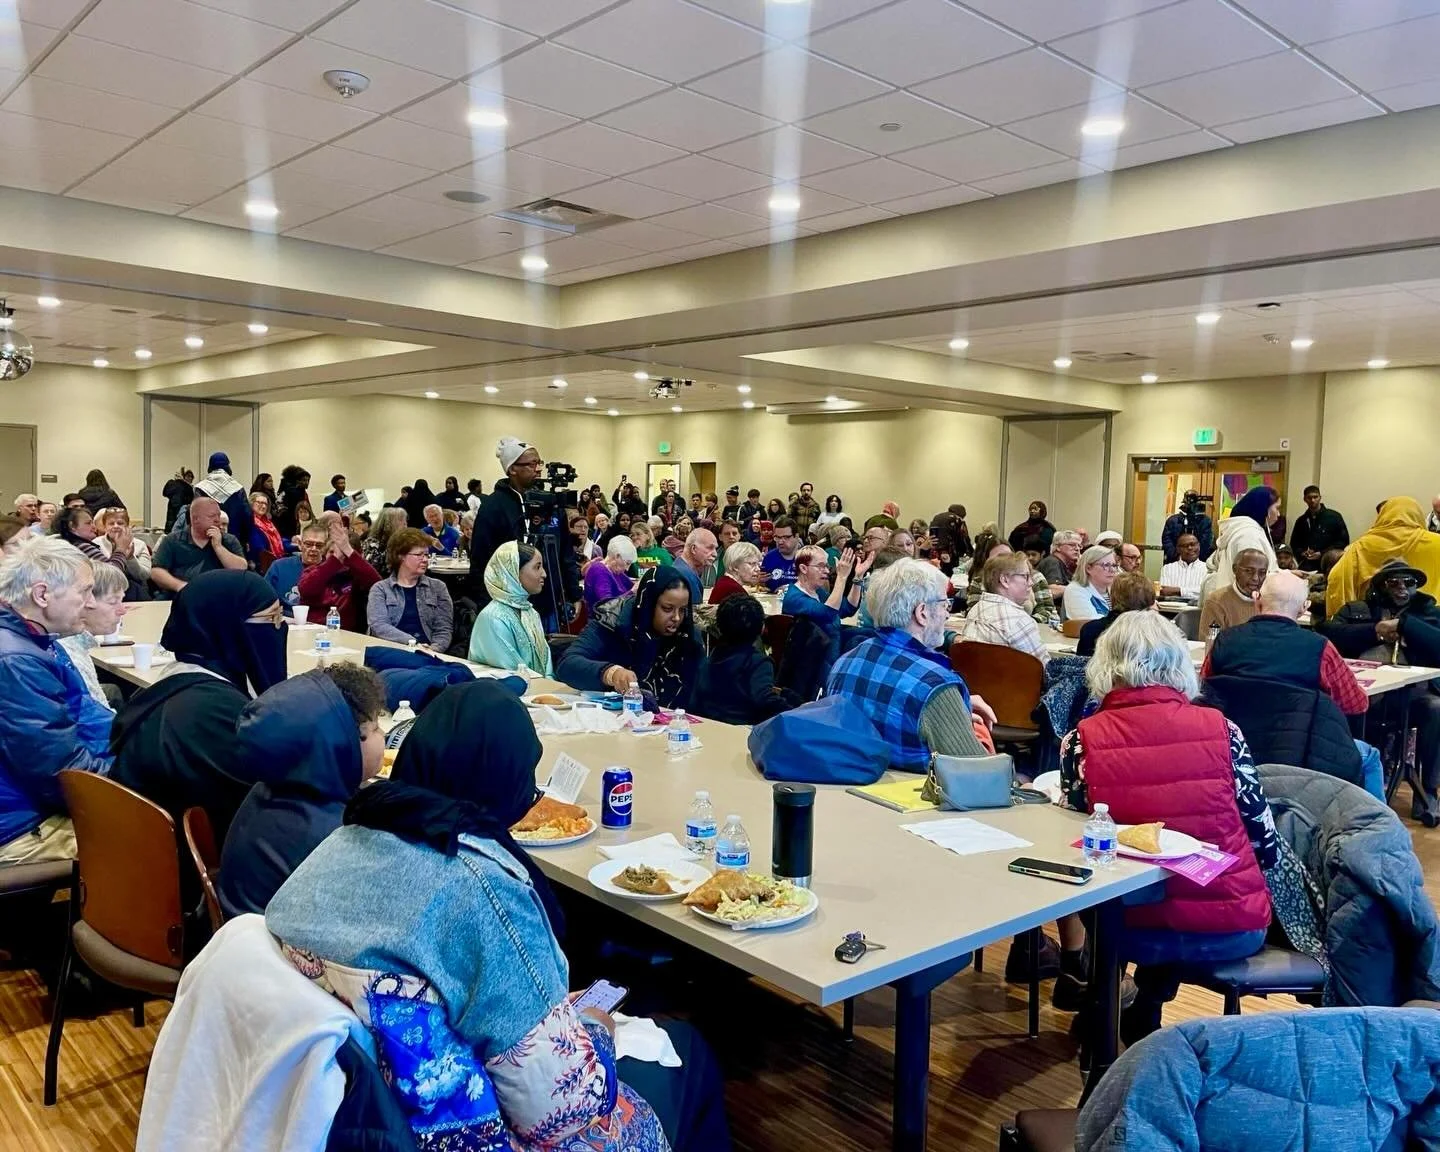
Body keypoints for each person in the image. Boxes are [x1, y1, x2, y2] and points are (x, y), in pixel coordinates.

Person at [266, 680, 730, 1152]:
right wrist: (597, 1031)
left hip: (350, 1119)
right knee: (687, 1051)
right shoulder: (483, 887)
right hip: (465, 1134)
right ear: (507, 778)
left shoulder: (338, 844)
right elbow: (560, 1111)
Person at [1059, 611, 1274, 1039]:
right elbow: (1262, 838)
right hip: (1231, 923)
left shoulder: (1082, 739)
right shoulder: (1223, 730)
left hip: (1129, 927)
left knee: (1108, 896)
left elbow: (1079, 844)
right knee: (1176, 899)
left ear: (1105, 665)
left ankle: (1109, 1005)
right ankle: (1146, 1003)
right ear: (1179, 665)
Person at [110, 571, 289, 841]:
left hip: (142, 843)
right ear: (229, 628)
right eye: (271, 618)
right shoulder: (220, 713)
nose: (280, 627)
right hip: (190, 854)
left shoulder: (171, 684)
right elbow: (263, 803)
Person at [217, 664, 386, 918]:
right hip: (273, 939)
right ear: (344, 743)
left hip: (242, 928)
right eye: (375, 728)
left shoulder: (272, 788)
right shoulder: (330, 834)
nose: (383, 735)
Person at [1203, 570, 1380, 797]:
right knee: (1370, 756)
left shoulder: (1224, 641)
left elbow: (1204, 692)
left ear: (1257, 599)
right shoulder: (1320, 648)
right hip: (1304, 755)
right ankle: (1373, 818)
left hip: (1230, 752)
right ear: (1304, 607)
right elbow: (1356, 705)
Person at [0, 538, 114, 866]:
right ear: (42, 595)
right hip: (19, 824)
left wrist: (134, 748)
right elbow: (57, 772)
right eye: (85, 592)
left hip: (29, 801)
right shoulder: (16, 660)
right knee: (154, 840)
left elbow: (86, 714)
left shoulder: (38, 640)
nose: (90, 604)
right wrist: (128, 784)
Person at [827, 558, 993, 769]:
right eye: (944, 604)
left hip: (852, 783)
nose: (947, 614)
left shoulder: (845, 662)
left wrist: (956, 710)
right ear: (922, 613)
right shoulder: (936, 686)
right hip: (921, 788)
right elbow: (981, 775)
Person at [1323, 558, 1440, 824]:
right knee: (1339, 703)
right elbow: (1328, 633)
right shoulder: (1358, 609)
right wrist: (1375, 631)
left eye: (1409, 582)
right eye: (1393, 582)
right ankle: (1351, 785)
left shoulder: (1430, 613)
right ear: (1380, 586)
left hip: (1413, 695)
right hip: (1365, 693)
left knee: (1436, 708)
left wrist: (1405, 626)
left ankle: (1429, 791)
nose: (1401, 587)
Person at [558, 566, 705, 709]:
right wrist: (610, 673)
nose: (676, 617)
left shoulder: (688, 636)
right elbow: (567, 664)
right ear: (649, 603)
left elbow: (700, 693)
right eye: (667, 609)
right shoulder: (612, 621)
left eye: (683, 610)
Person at [470, 437, 580, 617]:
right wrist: (486, 605)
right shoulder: (493, 507)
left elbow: (565, 553)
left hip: (550, 601)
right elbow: (480, 561)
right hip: (508, 604)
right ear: (512, 469)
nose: (538, 469)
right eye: (531, 464)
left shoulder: (550, 504)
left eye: (539, 463)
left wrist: (574, 594)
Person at [1325, 496, 1440, 618]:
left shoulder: (1362, 546)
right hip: (1430, 618)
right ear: (1419, 516)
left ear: (1383, 515)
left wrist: (1341, 615)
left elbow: (1336, 578)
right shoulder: (1436, 543)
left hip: (1376, 619)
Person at [693, 594, 796, 725]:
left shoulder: (711, 657)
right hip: (744, 728)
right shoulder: (759, 662)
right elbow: (765, 699)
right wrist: (795, 712)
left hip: (709, 725)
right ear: (762, 628)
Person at [469, 541, 554, 675]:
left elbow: (546, 662)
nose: (544, 574)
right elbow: (512, 672)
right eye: (537, 567)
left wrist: (549, 681)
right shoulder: (493, 618)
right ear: (513, 572)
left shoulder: (530, 612)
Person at [368, 527, 453, 652]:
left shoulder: (438, 587)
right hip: (391, 651)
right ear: (400, 556)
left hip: (428, 653)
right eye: (419, 555)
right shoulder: (380, 589)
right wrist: (413, 644)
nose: (425, 559)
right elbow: (379, 626)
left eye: (426, 555)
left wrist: (433, 650)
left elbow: (444, 628)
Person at [783, 544, 871, 664]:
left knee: (871, 635)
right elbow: (827, 614)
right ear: (803, 568)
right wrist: (841, 577)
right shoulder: (794, 598)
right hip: (813, 658)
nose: (827, 571)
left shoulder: (818, 592)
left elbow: (847, 609)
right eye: (821, 566)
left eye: (827, 566)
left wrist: (858, 578)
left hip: (831, 646)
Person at [958, 553, 1049, 664]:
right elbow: (1045, 667)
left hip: (975, 675)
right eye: (1025, 576)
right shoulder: (1020, 620)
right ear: (1004, 580)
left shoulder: (975, 611)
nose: (1031, 582)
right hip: (1015, 675)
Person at [295, 517, 380, 631]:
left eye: (343, 555)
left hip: (345, 634)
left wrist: (348, 550)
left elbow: (376, 583)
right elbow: (306, 589)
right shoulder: (313, 570)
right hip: (313, 631)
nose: (338, 557)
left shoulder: (354, 576)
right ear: (325, 553)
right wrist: (335, 560)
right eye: (332, 552)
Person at [152, 497, 247, 596]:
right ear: (195, 519)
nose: (217, 520)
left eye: (218, 515)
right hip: (180, 596)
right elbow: (156, 572)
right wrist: (181, 586)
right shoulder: (173, 540)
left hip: (220, 597)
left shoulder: (229, 540)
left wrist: (218, 547)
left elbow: (241, 569)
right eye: (212, 516)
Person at [1201, 486, 1279, 602]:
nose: (1278, 514)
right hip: (1243, 605)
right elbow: (1252, 579)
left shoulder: (1239, 530)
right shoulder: (1248, 535)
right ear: (1264, 509)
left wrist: (1287, 574)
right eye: (1277, 508)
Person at [1076, 571, 1156, 658]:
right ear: (1151, 600)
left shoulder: (1091, 629)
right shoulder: (1157, 632)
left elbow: (1080, 664)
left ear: (1112, 598)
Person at [190, 452, 254, 556]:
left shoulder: (200, 488)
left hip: (207, 541)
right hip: (234, 541)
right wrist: (246, 539)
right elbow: (248, 515)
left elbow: (194, 515)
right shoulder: (237, 488)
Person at [1198, 547, 1268, 637]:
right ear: (1235, 569)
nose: (1256, 578)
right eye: (1249, 571)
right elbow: (1209, 642)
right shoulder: (1217, 601)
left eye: (1262, 573)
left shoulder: (1271, 601)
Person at [1289, 485, 1348, 571]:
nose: (1312, 500)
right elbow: (1294, 543)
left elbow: (1343, 542)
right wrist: (1302, 552)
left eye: (1315, 497)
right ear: (1304, 499)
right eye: (1309, 498)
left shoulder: (1334, 517)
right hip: (1307, 565)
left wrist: (1322, 553)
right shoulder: (1301, 521)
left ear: (1320, 498)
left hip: (1330, 564)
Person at [1062, 544, 1119, 622]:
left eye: (1114, 565)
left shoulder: (1116, 589)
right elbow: (1091, 623)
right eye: (1106, 565)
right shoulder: (1075, 590)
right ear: (1088, 568)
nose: (1112, 570)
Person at [584, 535, 637, 612]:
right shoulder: (599, 571)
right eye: (627, 563)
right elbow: (606, 605)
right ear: (617, 556)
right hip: (602, 618)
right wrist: (632, 592)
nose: (627, 568)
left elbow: (632, 586)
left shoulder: (615, 571)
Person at [1161, 490, 1216, 563]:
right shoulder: (1172, 521)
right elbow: (1167, 541)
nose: (1190, 504)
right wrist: (1176, 556)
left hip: (1198, 563)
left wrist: (1194, 557)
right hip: (1175, 562)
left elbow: (1206, 542)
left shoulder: (1205, 521)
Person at [675, 527, 718, 605]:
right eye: (710, 548)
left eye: (715, 548)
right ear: (693, 549)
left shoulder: (679, 567)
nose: (715, 554)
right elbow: (694, 611)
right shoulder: (685, 576)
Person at [362, 505, 406, 579]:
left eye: (404, 520)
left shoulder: (401, 541)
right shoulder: (372, 544)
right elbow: (371, 570)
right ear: (389, 524)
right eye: (400, 520)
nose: (405, 523)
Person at [1159, 533, 1207, 598]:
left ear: (1199, 546)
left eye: (1193, 544)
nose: (1190, 548)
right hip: (1172, 604)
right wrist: (1194, 592)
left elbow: (1206, 592)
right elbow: (1165, 592)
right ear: (1178, 549)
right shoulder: (1167, 569)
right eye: (1185, 546)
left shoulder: (1207, 569)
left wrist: (1179, 591)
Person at [761, 516, 802, 592]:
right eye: (777, 537)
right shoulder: (769, 558)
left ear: (796, 537)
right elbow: (762, 586)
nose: (780, 542)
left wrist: (789, 589)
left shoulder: (806, 558)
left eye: (786, 537)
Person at [248, 491, 290, 559]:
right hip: (258, 560)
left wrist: (292, 542)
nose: (264, 506)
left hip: (274, 557)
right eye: (260, 503)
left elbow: (278, 542)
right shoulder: (249, 522)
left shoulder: (268, 522)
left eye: (266, 504)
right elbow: (259, 547)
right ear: (251, 503)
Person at [273, 465, 311, 539]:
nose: (306, 483)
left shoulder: (284, 490)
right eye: (304, 480)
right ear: (297, 480)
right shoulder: (296, 492)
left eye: (308, 480)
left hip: (284, 524)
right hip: (290, 524)